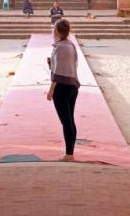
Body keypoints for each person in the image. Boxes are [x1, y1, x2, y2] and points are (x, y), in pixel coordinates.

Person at [46, 18, 80, 161]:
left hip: (61, 87)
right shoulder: (70, 45)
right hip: (72, 85)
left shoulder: (59, 47)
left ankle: (69, 154)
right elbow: (70, 65)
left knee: (66, 121)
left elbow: (58, 72)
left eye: (54, 28)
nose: (53, 30)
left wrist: (51, 90)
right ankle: (70, 152)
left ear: (58, 31)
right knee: (70, 119)